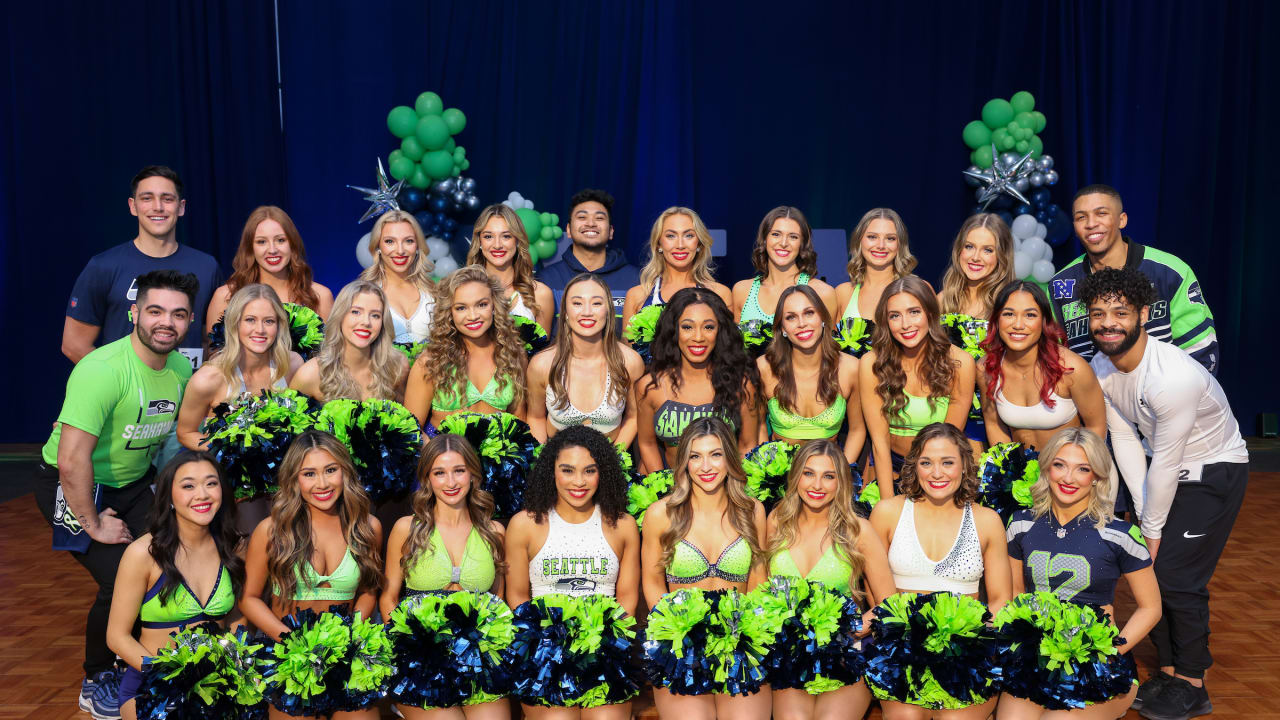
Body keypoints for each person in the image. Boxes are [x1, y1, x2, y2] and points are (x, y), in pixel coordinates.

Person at [1082, 267, 1247, 720]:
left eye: (1120, 312)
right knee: (1149, 574)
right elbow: (1127, 441)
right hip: (1164, 469)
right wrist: (1141, 513)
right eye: (1098, 314)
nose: (1107, 322)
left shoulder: (1172, 376)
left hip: (1213, 470)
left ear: (1143, 314)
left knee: (1176, 577)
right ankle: (1170, 672)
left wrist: (1151, 530)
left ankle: (1193, 682)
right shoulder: (1102, 367)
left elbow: (1169, 459)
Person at [37, 269, 199, 719]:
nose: (166, 322)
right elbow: (71, 461)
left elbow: (176, 438)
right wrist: (93, 522)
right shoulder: (102, 370)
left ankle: (155, 667)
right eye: (155, 311)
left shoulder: (182, 367)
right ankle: (96, 678)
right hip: (71, 484)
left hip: (131, 485)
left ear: (189, 321)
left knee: (173, 562)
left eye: (178, 314)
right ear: (134, 313)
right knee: (119, 578)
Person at [1001, 428, 1162, 720]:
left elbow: (1151, 607)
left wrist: (1113, 651)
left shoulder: (1120, 533)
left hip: (1096, 663)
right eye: (1059, 465)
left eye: (1083, 469)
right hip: (1038, 660)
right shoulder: (1020, 524)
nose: (1068, 478)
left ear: (1098, 476)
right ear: (1046, 467)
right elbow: (1016, 596)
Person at [868, 423, 1012, 719]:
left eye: (948, 462)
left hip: (965, 656)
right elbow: (873, 592)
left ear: (964, 466)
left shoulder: (987, 520)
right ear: (914, 467)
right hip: (902, 652)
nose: (937, 473)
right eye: (926, 463)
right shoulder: (887, 512)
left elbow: (1000, 600)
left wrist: (972, 641)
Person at [240, 430, 385, 720]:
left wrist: (350, 634)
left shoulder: (367, 527)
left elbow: (369, 590)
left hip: (346, 656)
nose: (322, 483)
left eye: (331, 470)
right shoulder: (271, 531)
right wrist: (292, 642)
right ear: (294, 479)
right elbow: (249, 599)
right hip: (288, 657)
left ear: (345, 472)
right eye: (309, 474)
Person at [504, 426, 642, 719]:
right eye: (567, 470)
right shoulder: (524, 524)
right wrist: (548, 644)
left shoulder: (622, 524)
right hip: (545, 656)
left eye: (589, 471)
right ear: (550, 471)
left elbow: (627, 600)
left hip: (603, 653)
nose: (578, 481)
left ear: (602, 473)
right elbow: (516, 596)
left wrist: (601, 644)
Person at [641, 417, 771, 719]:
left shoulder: (753, 511)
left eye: (716, 454)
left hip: (740, 641)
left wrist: (748, 637)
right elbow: (651, 581)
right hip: (682, 645)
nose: (706, 467)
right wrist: (672, 633)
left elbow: (758, 581)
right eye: (695, 456)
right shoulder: (661, 514)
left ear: (730, 458)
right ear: (684, 462)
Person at [105, 450, 244, 720]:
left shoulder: (232, 545)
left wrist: (236, 663)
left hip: (216, 684)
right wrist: (166, 677)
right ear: (168, 496)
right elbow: (117, 636)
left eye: (211, 483)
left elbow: (236, 615)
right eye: (188, 486)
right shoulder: (143, 553)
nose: (202, 494)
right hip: (153, 686)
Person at [765, 439, 896, 720]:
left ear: (841, 483)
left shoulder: (858, 530)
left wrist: (855, 628)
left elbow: (890, 605)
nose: (817, 485)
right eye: (809, 473)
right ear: (796, 476)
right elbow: (761, 591)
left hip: (844, 655)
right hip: (789, 656)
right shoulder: (777, 521)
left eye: (828, 476)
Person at [380, 434, 508, 719]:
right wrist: (408, 650)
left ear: (473, 475)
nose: (451, 482)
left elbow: (498, 599)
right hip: (422, 662)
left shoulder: (494, 532)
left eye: (458, 471)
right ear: (427, 478)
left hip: (477, 660)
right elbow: (388, 597)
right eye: (440, 473)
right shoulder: (407, 529)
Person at [62, 166, 221, 369]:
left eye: (167, 199)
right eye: (147, 198)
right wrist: (118, 381)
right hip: (125, 397)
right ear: (133, 206)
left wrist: (202, 388)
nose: (158, 207)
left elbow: (215, 343)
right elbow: (74, 344)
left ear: (181, 207)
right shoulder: (103, 266)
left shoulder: (207, 267)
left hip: (188, 394)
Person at [1049, 184, 1219, 374]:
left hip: (1167, 397)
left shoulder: (1169, 272)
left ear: (1122, 220)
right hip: (1090, 399)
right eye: (1081, 217)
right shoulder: (1060, 284)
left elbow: (1199, 350)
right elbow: (1053, 355)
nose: (1091, 224)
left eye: (1101, 213)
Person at [860, 276, 975, 498]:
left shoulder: (960, 364)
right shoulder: (871, 364)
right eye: (895, 316)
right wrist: (888, 505)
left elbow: (948, 444)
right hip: (889, 469)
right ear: (885, 321)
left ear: (930, 314)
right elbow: (879, 444)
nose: (905, 324)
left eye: (914, 312)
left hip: (941, 470)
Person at [635, 287, 761, 473]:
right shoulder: (650, 386)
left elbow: (748, 444)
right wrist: (664, 490)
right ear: (674, 330)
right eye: (687, 327)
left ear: (720, 331)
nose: (698, 337)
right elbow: (646, 443)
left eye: (709, 327)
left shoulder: (741, 384)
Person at [978, 281, 1106, 450]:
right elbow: (994, 426)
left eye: (1030, 315)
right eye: (1008, 314)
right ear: (996, 319)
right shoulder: (986, 367)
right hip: (1021, 473)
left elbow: (1096, 428)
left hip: (1071, 470)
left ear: (1044, 321)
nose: (1018, 325)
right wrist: (1008, 471)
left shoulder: (1071, 368)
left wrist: (1074, 470)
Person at [176, 284, 303, 449]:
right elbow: (185, 433)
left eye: (269, 321)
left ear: (279, 325)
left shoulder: (292, 364)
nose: (260, 330)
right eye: (250, 320)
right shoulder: (208, 378)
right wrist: (230, 455)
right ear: (235, 323)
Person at [526, 273, 645, 445]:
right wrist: (543, 463)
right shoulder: (542, 364)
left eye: (596, 303)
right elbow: (535, 417)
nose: (587, 312)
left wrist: (615, 461)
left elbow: (634, 418)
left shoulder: (630, 362)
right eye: (577, 303)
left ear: (608, 310)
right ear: (565, 312)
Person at [404, 265, 528, 428]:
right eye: (461, 308)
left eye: (481, 304)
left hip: (499, 451)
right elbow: (411, 431)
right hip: (443, 451)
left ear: (494, 306)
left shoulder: (513, 354)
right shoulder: (431, 362)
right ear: (449, 313)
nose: (473, 316)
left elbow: (520, 423)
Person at [758, 285, 865, 462]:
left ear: (822, 317)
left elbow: (857, 429)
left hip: (829, 476)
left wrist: (842, 473)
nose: (801, 323)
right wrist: (768, 472)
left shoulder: (851, 368)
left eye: (809, 313)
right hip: (779, 478)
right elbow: (759, 427)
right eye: (791, 317)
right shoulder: (764, 368)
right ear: (782, 328)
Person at [205, 206, 333, 339]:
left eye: (280, 240)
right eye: (261, 242)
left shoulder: (320, 296)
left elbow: (330, 355)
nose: (272, 249)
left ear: (293, 244)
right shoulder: (226, 296)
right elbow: (215, 354)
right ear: (250, 248)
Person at [290, 280, 409, 403]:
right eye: (356, 312)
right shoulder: (311, 373)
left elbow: (407, 419)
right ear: (340, 316)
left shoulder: (397, 367)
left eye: (375, 315)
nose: (366, 322)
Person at [620, 207, 734, 330]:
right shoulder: (637, 296)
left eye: (689, 235)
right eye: (671, 236)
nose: (680, 245)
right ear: (659, 244)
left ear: (699, 244)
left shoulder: (720, 294)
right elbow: (628, 347)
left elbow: (727, 346)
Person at [538, 188, 641, 320]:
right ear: (568, 230)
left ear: (610, 231)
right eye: (582, 217)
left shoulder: (636, 280)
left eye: (599, 218)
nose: (591, 223)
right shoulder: (547, 279)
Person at [732, 206, 838, 324]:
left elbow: (829, 342)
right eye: (776, 234)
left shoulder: (822, 293)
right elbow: (735, 342)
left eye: (793, 237)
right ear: (764, 239)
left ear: (802, 243)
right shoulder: (742, 291)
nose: (783, 243)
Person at [466, 204, 555, 332]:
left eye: (506, 236)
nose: (497, 245)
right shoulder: (461, 289)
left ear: (517, 241)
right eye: (488, 236)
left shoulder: (540, 294)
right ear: (479, 242)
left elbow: (544, 349)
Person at [359, 210, 436, 343]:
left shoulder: (435, 292)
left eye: (408, 241)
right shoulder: (362, 294)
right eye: (390, 241)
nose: (400, 250)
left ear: (417, 246)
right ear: (378, 247)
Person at [834, 208, 917, 325]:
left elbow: (937, 341)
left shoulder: (917, 290)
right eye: (872, 237)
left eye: (890, 238)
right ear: (859, 241)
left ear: (900, 245)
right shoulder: (843, 293)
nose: (881, 245)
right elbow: (831, 343)